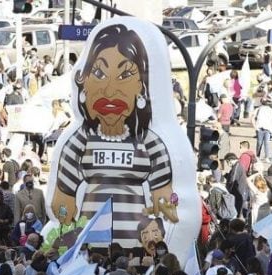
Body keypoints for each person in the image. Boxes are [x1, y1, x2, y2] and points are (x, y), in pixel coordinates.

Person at [51, 24, 179, 249]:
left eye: (125, 74)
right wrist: (68, 226)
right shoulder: (80, 142)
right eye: (99, 73)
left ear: (141, 86)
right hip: (91, 250)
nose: (110, 90)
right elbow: (62, 202)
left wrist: (159, 217)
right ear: (85, 81)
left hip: (135, 251)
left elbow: (165, 203)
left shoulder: (150, 143)